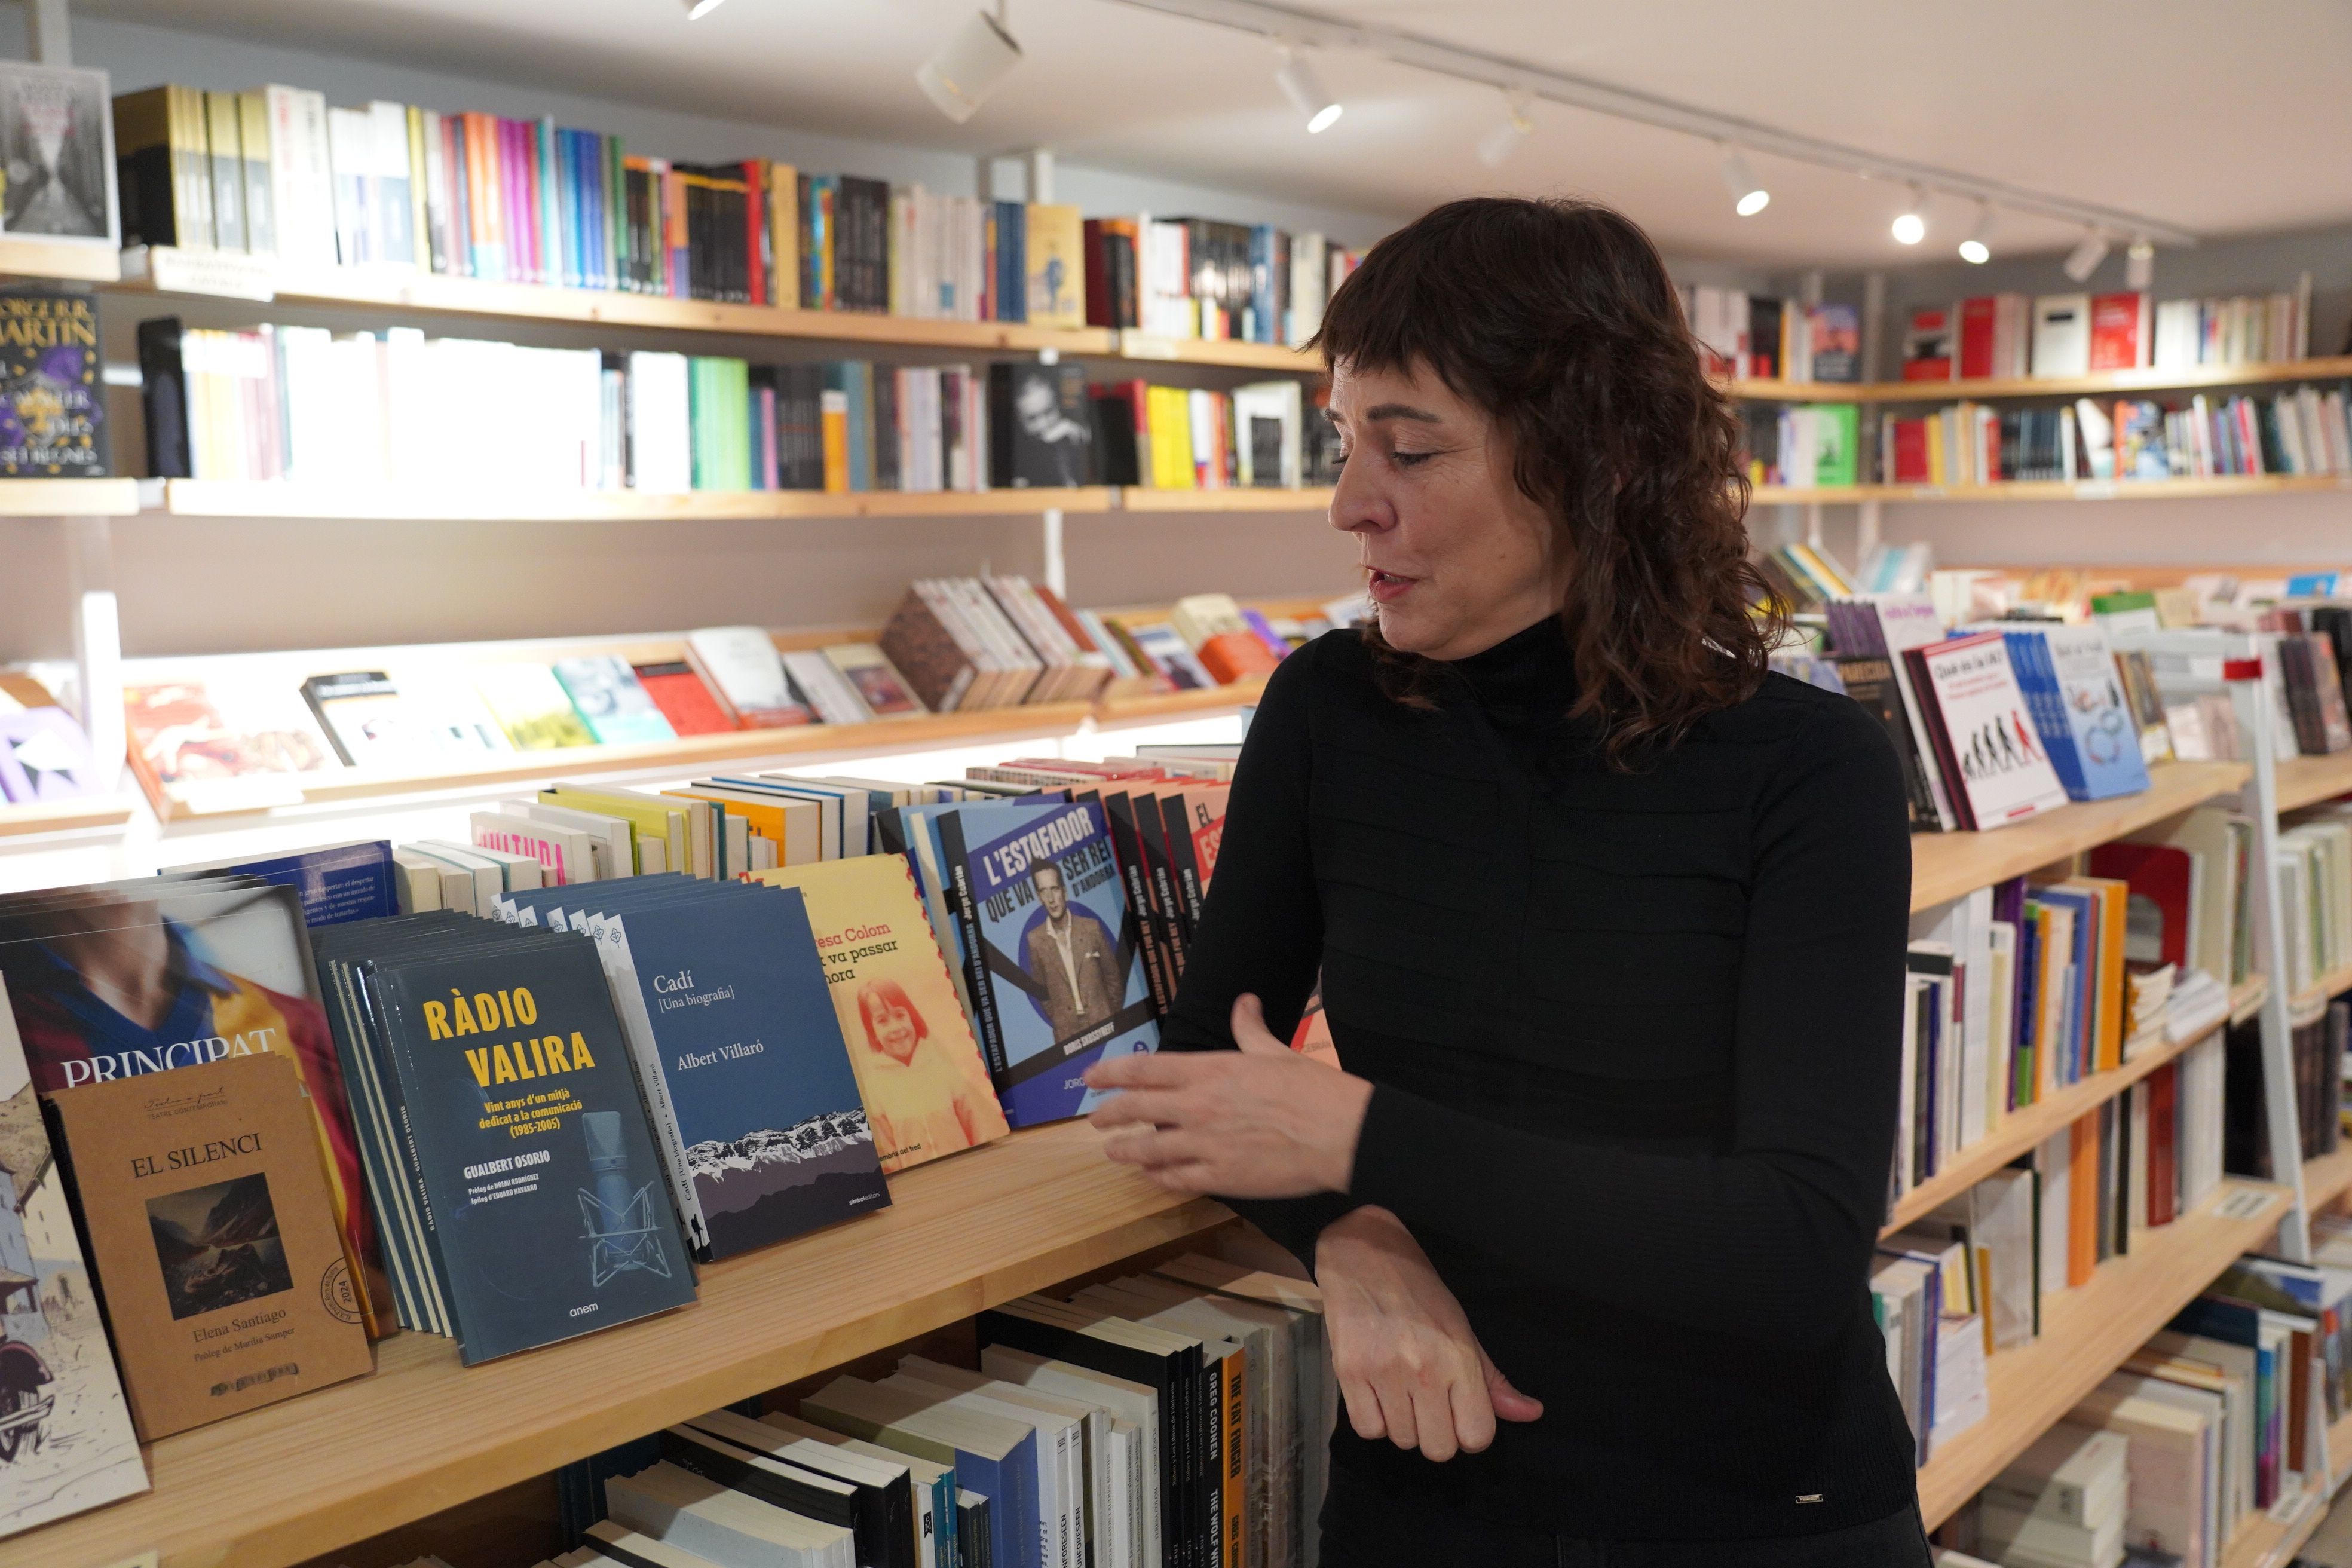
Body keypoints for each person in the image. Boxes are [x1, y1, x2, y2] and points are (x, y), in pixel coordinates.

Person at [1085, 197, 1926, 1564]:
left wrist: (1359, 1138)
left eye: (1409, 447)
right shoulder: (1327, 708)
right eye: (1343, 441)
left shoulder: (1810, 767)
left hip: (1752, 1510)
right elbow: (1203, 1061)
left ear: (1592, 457)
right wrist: (1357, 1244)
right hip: (1429, 1486)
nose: (1349, 501)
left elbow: (1794, 1249)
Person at [852, 977, 1007, 1164]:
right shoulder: (875, 1090)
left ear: (912, 1017)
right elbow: (889, 1159)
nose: (896, 1028)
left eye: (900, 1015)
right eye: (883, 1021)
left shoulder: (944, 1070)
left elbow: (981, 1131)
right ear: (872, 1032)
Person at [1022, 860, 1123, 1042]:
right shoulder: (1035, 940)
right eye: (1044, 891)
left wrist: (1110, 1015)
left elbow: (1113, 978)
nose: (1051, 898)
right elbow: (1041, 991)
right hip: (1067, 1035)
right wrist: (1060, 1020)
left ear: (1064, 891)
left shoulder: (1092, 928)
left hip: (1105, 1025)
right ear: (1039, 897)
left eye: (1054, 888)